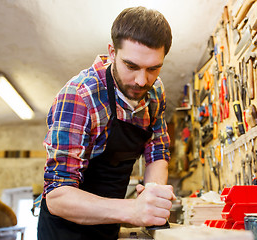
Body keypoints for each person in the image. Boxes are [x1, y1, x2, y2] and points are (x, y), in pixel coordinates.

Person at [37, 6, 175, 240]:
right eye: (131, 66)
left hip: (109, 227)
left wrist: (153, 196)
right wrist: (134, 209)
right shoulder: (79, 97)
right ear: (112, 52)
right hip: (63, 231)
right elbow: (57, 197)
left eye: (153, 68)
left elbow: (157, 152)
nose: (142, 81)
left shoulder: (155, 91)